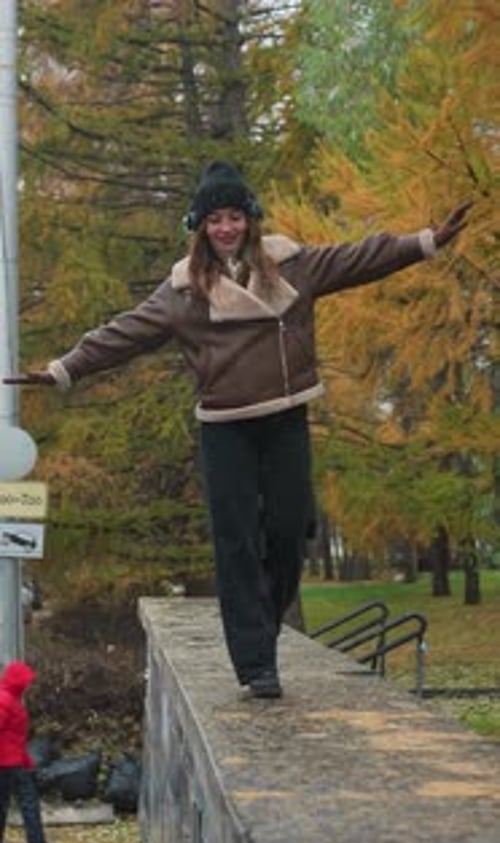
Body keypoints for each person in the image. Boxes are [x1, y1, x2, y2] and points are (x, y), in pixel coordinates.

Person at [3, 161, 471, 699]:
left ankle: (261, 626)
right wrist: (64, 368)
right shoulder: (183, 291)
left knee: (289, 531)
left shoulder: (293, 266)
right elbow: (125, 332)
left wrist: (425, 242)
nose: (225, 228)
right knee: (237, 542)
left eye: (233, 217)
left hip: (285, 416)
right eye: (214, 220)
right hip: (225, 428)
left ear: (249, 219)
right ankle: (256, 664)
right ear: (200, 227)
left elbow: (360, 257)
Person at [0, 660, 62, 843]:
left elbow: (15, 737)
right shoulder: (6, 701)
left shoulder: (8, 698)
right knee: (29, 804)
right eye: (26, 682)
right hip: (10, 763)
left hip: (11, 762)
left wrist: (26, 759)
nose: (28, 685)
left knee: (3, 805)